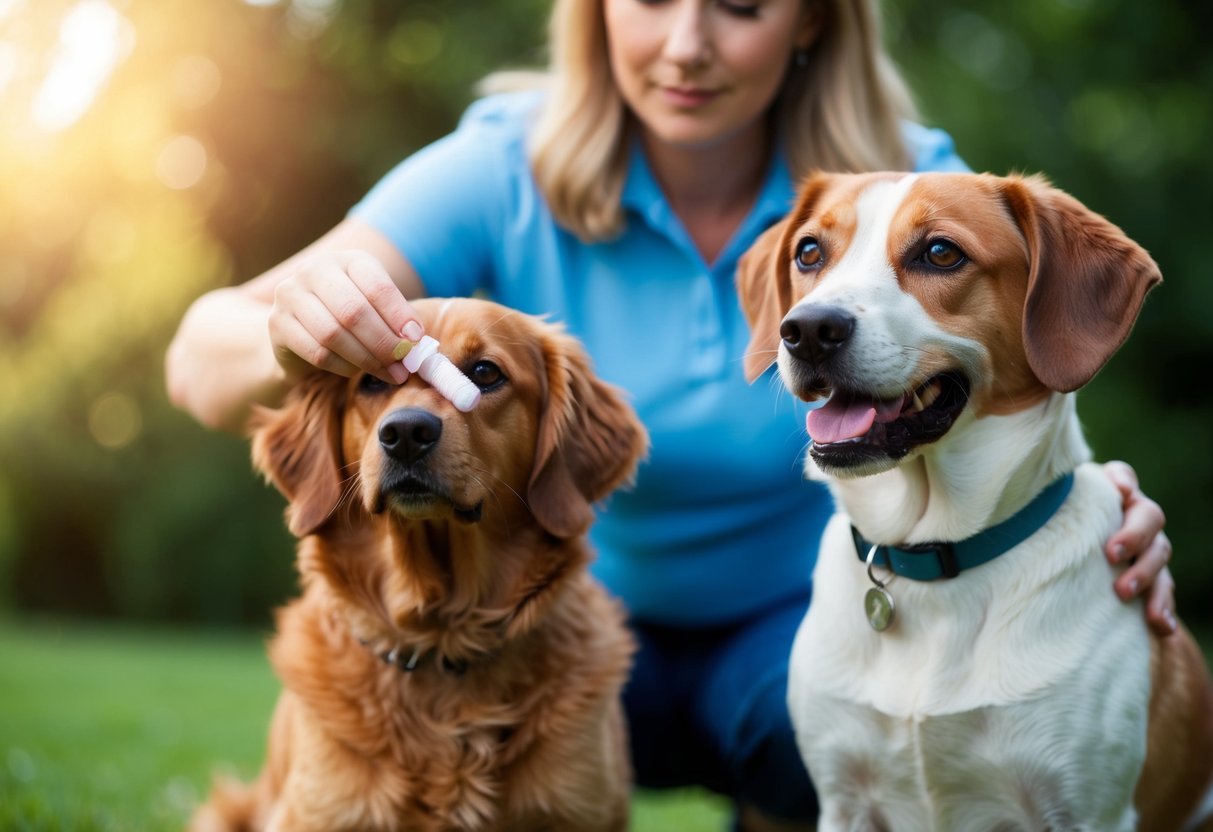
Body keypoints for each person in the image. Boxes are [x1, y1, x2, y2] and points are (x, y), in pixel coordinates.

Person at [166, 1, 1177, 829]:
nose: (686, 43)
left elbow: (1020, 354)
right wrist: (290, 330)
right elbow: (198, 357)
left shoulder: (901, 183)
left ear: (814, 22)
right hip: (558, 629)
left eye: (738, 7)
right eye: (648, 0)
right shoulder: (496, 173)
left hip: (795, 637)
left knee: (815, 720)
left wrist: (1082, 508)